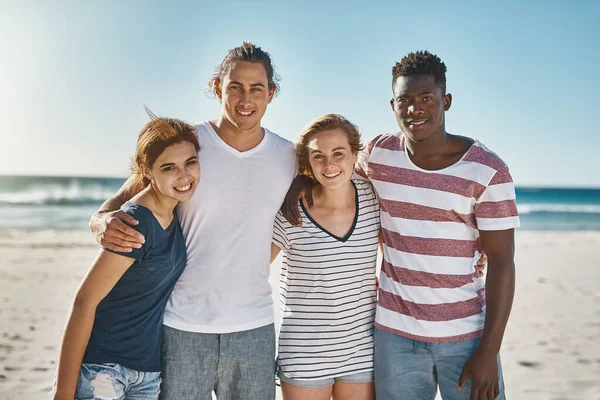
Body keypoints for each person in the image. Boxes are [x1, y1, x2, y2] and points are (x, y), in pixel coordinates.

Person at [283, 51, 518, 400]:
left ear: (446, 100)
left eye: (426, 98)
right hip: (394, 336)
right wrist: (303, 180)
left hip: (466, 337)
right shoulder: (378, 154)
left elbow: (502, 262)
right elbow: (334, 169)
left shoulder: (487, 170)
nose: (415, 109)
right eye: (405, 100)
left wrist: (488, 350)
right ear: (392, 104)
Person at [89, 42, 297, 399]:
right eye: (235, 87)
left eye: (256, 89)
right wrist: (101, 222)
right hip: (180, 326)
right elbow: (118, 203)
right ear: (218, 88)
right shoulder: (187, 144)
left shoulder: (289, 157)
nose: (245, 99)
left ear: (271, 94)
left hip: (254, 328)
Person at [52, 115, 201, 400]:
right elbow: (84, 301)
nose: (184, 177)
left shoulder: (176, 211)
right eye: (169, 168)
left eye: (190, 163)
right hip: (105, 370)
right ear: (147, 171)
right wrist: (63, 392)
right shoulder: (135, 221)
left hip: (146, 373)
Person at [271, 114, 379, 400]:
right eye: (318, 156)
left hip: (361, 349)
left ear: (355, 155)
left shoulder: (372, 199)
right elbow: (252, 268)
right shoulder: (291, 212)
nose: (329, 165)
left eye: (338, 154)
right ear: (307, 163)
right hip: (304, 353)